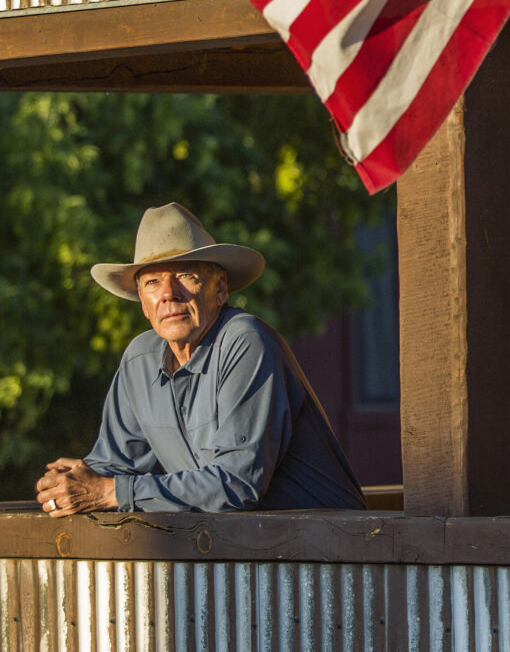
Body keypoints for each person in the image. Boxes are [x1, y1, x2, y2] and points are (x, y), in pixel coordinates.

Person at [34, 203, 366, 515]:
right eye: (152, 282)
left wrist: (111, 493)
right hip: (252, 558)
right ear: (142, 302)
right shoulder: (140, 359)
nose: (168, 293)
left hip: (338, 556)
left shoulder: (245, 340)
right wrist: (70, 482)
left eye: (185, 276)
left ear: (220, 289)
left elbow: (236, 486)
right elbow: (113, 466)